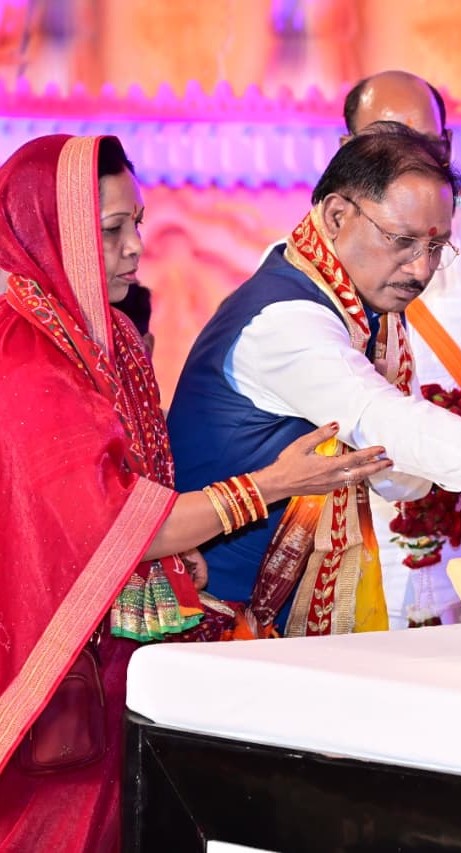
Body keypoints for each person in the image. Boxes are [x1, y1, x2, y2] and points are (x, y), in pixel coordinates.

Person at [0, 135, 392, 852]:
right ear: (49, 235)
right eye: (109, 230)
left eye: (138, 223)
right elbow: (124, 528)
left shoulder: (108, 337)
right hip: (57, 673)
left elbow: (142, 503)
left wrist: (180, 560)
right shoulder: (29, 359)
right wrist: (274, 483)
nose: (133, 247)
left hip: (122, 656)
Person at [166, 126, 461, 637]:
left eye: (437, 247)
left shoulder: (359, 309)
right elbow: (381, 419)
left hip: (269, 615)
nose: (421, 269)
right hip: (219, 617)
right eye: (403, 241)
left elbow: (394, 465)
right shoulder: (286, 319)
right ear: (335, 216)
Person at [342, 71, 461, 626]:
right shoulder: (297, 260)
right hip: (357, 536)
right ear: (344, 151)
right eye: (380, 142)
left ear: (447, 148)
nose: (402, 160)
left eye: (421, 144)